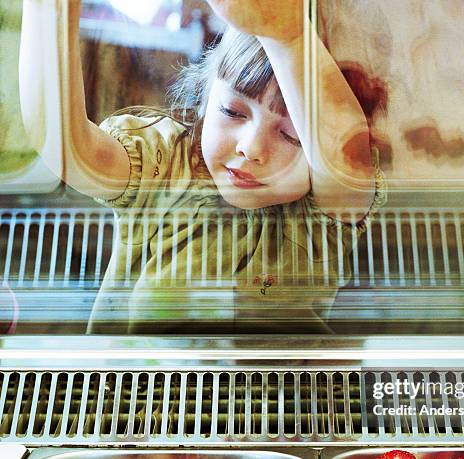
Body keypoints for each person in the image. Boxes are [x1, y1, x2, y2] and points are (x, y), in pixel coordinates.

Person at [20, 0, 386, 333]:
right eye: (232, 112)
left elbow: (346, 169)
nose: (250, 147)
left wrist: (289, 37)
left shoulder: (317, 220)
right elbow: (68, 149)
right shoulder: (164, 163)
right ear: (206, 98)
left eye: (291, 135)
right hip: (139, 400)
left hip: (278, 404)